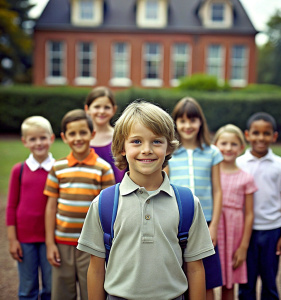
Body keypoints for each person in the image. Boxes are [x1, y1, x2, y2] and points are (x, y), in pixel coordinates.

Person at [77, 100, 215, 300]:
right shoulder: (104, 204)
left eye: (156, 141)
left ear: (168, 147)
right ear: (122, 147)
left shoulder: (187, 203)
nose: (147, 150)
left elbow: (195, 269)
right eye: (136, 141)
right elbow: (96, 270)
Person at [44, 109, 115, 300]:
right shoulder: (57, 168)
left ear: (92, 134)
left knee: (91, 292)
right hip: (62, 244)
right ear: (64, 137)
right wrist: (50, 243)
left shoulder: (103, 168)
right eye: (72, 133)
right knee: (62, 294)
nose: (78, 138)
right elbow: (51, 207)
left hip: (92, 245)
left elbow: (109, 209)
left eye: (83, 132)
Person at [165, 96, 223, 300]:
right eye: (182, 120)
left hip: (205, 223)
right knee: (181, 276)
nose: (187, 125)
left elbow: (217, 190)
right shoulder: (169, 153)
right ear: (175, 123)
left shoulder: (212, 152)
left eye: (192, 120)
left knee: (207, 279)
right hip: (178, 223)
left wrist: (214, 225)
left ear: (200, 122)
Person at [236, 112, 281, 300]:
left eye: (266, 133)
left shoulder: (280, 165)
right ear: (247, 135)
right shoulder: (239, 163)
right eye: (256, 133)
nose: (261, 138)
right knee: (246, 283)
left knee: (269, 281)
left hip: (272, 231)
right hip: (245, 233)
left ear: (274, 136)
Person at [6, 116, 55, 300]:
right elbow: (11, 206)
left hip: (51, 238)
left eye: (43, 137)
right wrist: (12, 239)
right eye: (33, 139)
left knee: (51, 287)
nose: (38, 143)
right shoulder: (18, 170)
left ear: (51, 138)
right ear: (25, 142)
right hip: (25, 238)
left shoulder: (58, 169)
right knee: (27, 288)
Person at [213, 124, 257, 300]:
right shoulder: (211, 173)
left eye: (233, 144)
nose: (228, 148)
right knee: (207, 279)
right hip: (214, 228)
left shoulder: (246, 177)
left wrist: (243, 246)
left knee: (228, 283)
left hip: (233, 232)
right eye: (223, 143)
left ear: (241, 147)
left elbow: (249, 213)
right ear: (215, 146)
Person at [84, 86, 126, 183]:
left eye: (106, 107)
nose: (101, 111)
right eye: (97, 107)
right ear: (87, 109)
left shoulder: (119, 137)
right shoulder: (82, 139)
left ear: (114, 109)